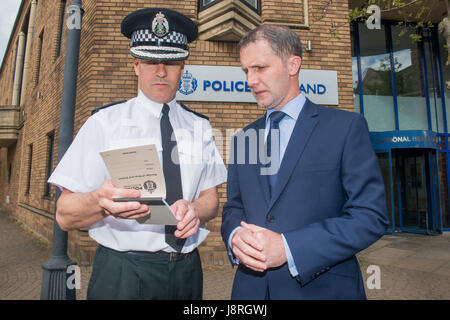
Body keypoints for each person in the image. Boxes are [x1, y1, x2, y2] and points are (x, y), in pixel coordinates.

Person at [49, 8, 227, 300]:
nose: (160, 71)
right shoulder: (103, 123)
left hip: (187, 272)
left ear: (183, 66)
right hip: (123, 273)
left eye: (170, 62)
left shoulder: (200, 127)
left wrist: (195, 210)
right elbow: (64, 214)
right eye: (149, 61)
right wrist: (100, 202)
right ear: (135, 65)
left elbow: (211, 200)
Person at [221, 25, 389, 300]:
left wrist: (289, 247)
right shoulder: (243, 138)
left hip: (323, 290)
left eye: (260, 68)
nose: (250, 80)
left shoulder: (345, 128)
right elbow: (234, 208)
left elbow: (370, 216)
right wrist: (234, 238)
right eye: (246, 71)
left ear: (292, 64)